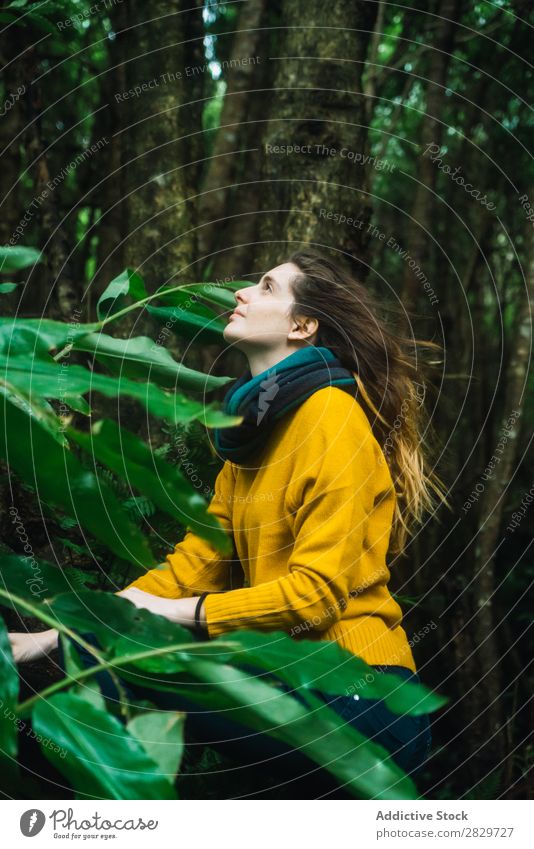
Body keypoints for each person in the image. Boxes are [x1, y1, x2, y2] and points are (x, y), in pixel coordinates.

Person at [9, 249, 448, 796]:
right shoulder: (250, 443)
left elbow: (316, 596)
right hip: (295, 687)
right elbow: (190, 569)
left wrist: (172, 614)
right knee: (77, 663)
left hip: (365, 700)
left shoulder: (332, 416)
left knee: (108, 672)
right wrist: (51, 635)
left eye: (265, 288)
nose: (241, 292)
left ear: (302, 325)